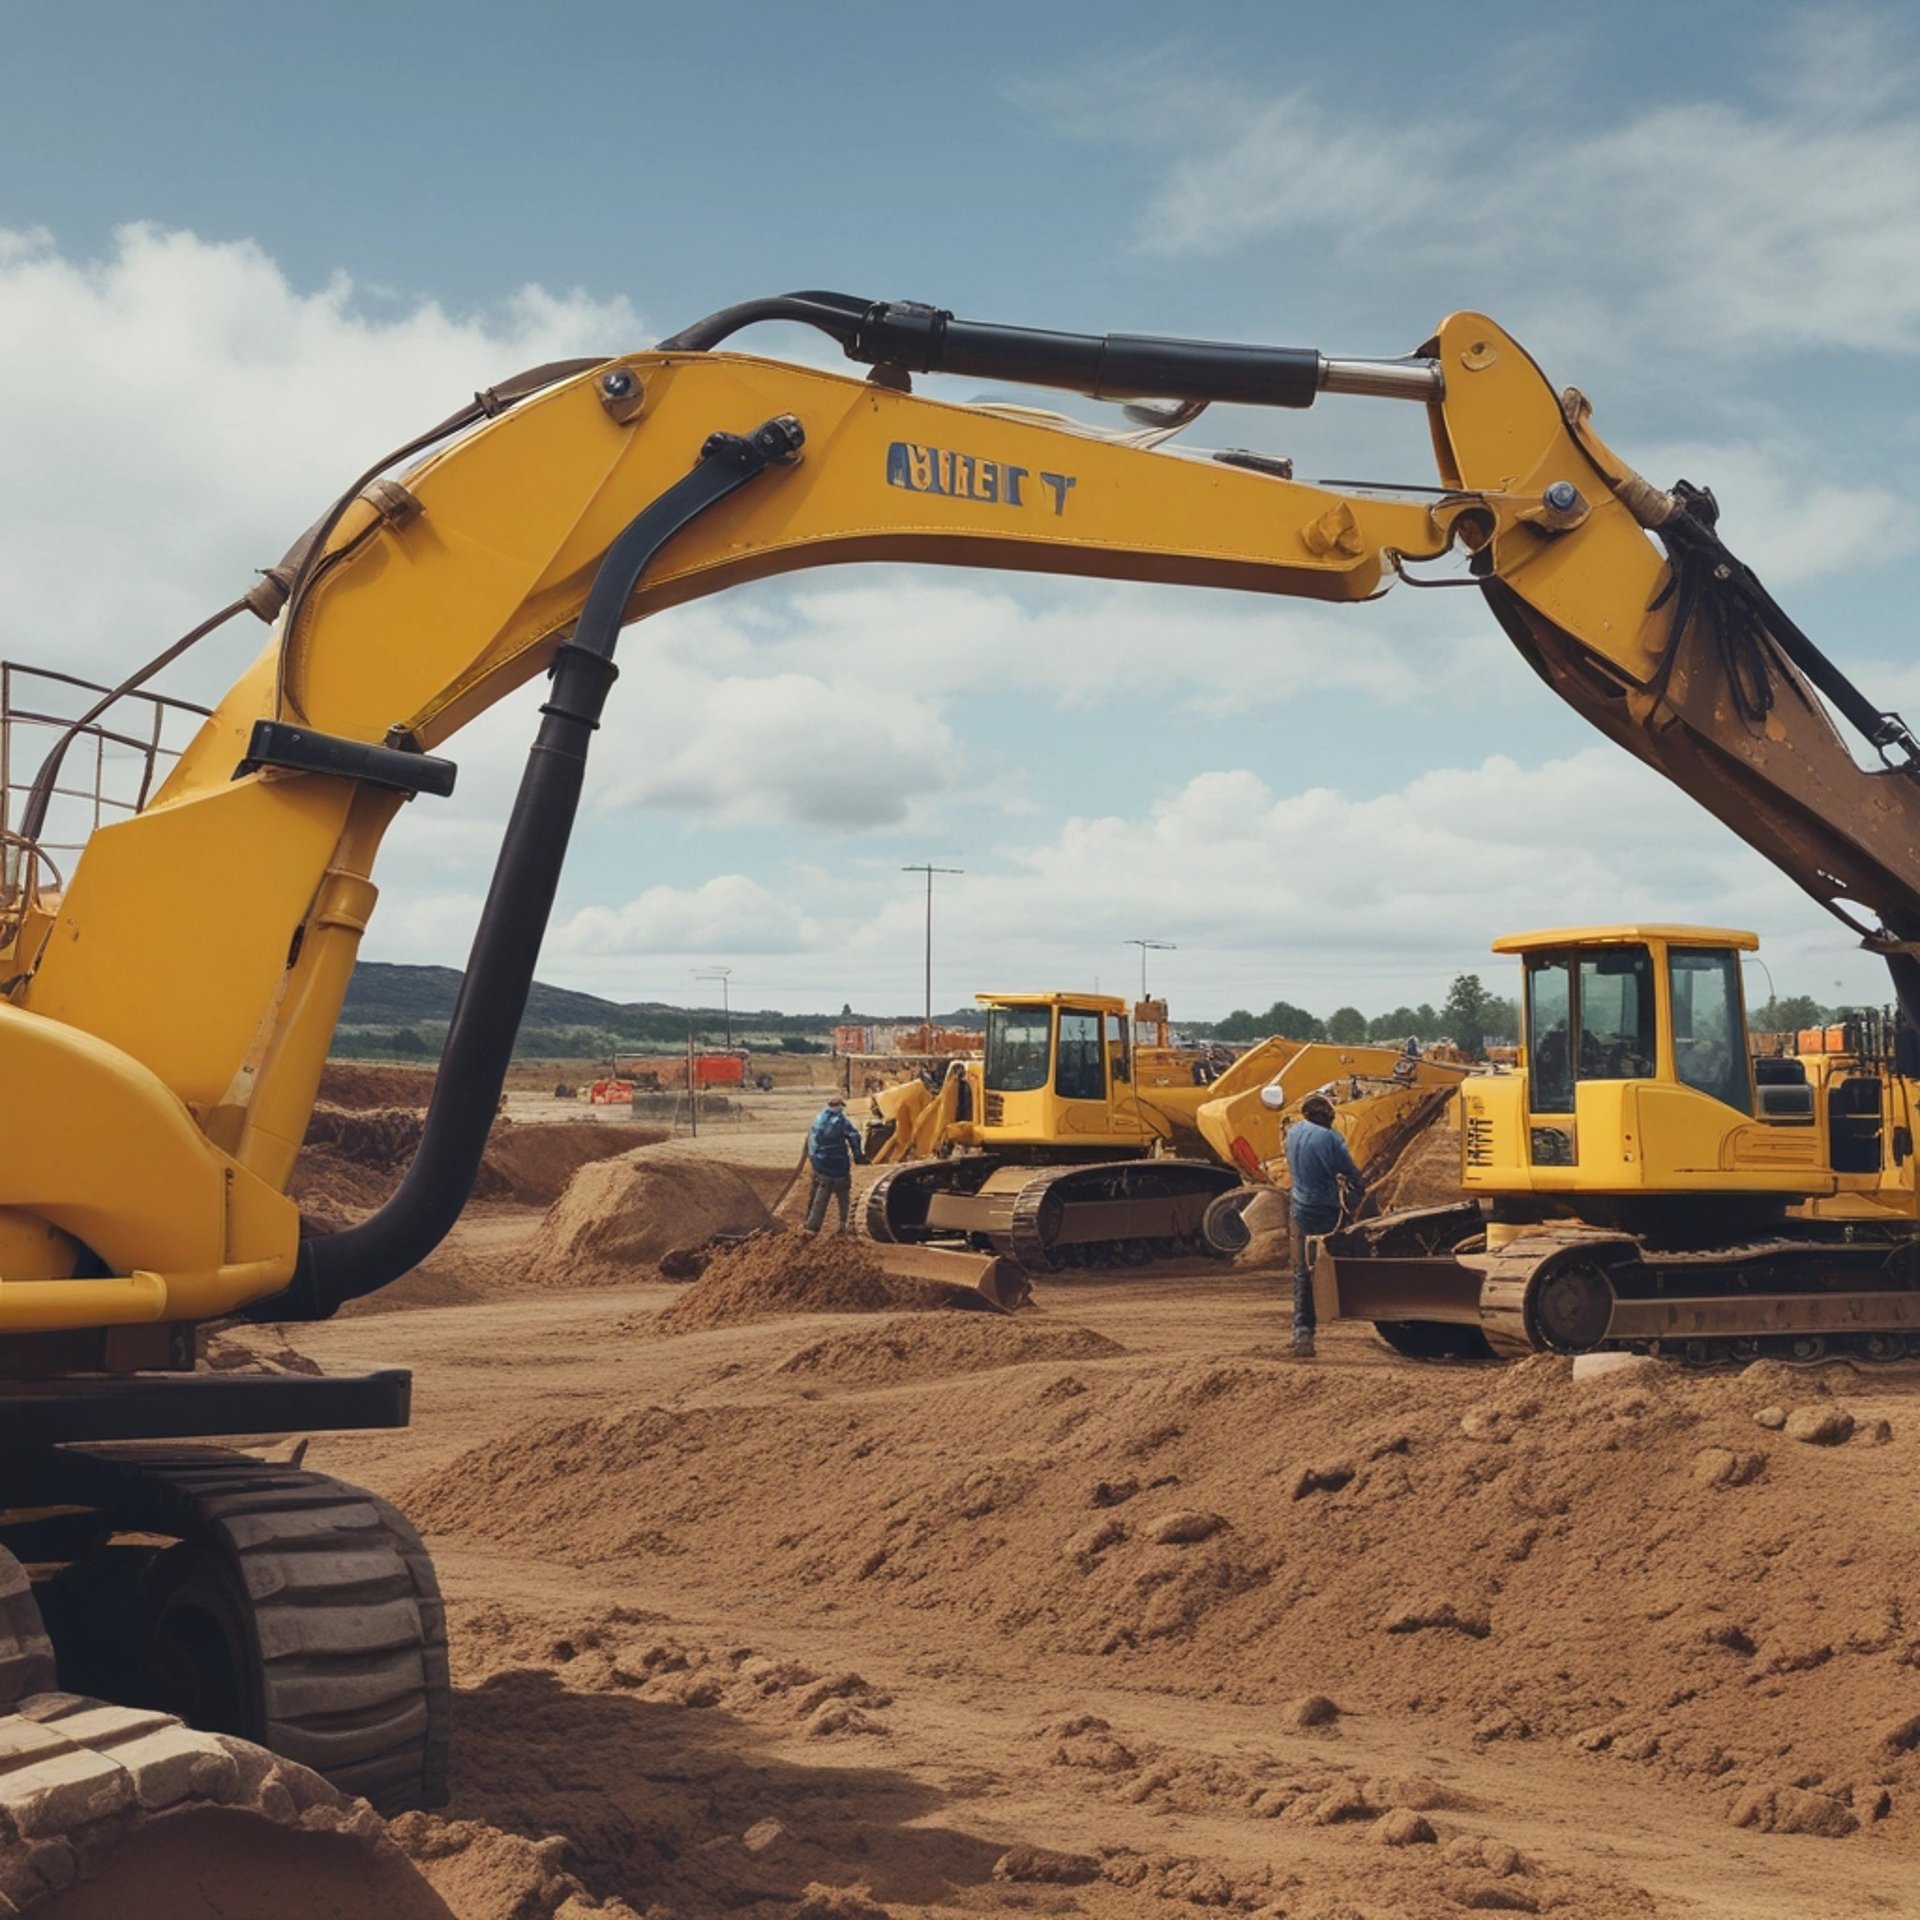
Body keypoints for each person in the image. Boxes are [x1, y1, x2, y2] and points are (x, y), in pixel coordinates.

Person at [1282, 1093, 1365, 1359]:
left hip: (1298, 1208)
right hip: (1325, 1210)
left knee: (1301, 1270)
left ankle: (1300, 1331)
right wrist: (1361, 1190)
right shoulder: (1331, 1139)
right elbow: (1349, 1171)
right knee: (1326, 1265)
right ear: (1327, 1116)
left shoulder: (1293, 1133)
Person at [802, 1094, 866, 1235]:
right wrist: (858, 1157)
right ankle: (845, 1225)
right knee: (843, 1196)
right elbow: (854, 1137)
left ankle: (810, 1226)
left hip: (818, 1163)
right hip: (837, 1165)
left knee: (818, 1196)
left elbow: (810, 1142)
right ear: (839, 1107)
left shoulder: (818, 1119)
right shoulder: (841, 1121)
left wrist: (814, 1159)